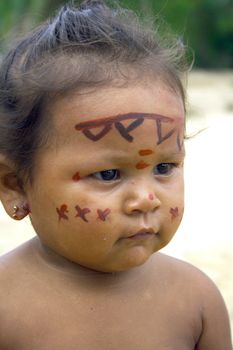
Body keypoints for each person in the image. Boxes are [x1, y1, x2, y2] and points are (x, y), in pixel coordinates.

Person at [0, 0, 231, 349]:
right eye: (108, 174)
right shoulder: (7, 307)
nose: (146, 199)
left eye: (164, 167)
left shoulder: (196, 301)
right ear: (14, 184)